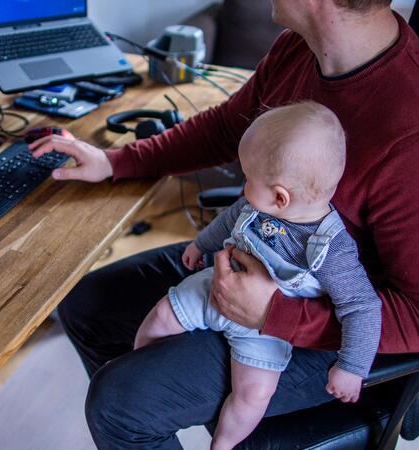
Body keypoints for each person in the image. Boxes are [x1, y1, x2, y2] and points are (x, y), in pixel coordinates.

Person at [29, 0, 419, 448]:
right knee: (87, 303)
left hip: (333, 318)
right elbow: (227, 129)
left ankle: (151, 411)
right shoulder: (297, 51)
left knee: (121, 404)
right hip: (258, 255)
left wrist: (276, 314)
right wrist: (115, 161)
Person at [134, 102, 381, 450]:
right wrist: (201, 244)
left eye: (248, 179)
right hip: (217, 287)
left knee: (253, 394)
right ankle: (138, 365)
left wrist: (352, 367)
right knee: (161, 315)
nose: (244, 186)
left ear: (280, 197)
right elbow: (228, 218)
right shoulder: (257, 205)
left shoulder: (330, 250)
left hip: (265, 331)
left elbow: (361, 306)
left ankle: (223, 444)